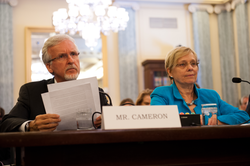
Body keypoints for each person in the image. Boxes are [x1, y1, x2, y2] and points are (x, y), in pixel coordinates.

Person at [0, 34, 109, 132]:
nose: (71, 60)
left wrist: (106, 121)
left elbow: (112, 124)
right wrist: (30, 125)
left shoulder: (97, 92)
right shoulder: (32, 92)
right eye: (62, 56)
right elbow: (7, 123)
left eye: (73, 54)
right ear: (49, 66)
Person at [150, 46, 250, 125]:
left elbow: (243, 116)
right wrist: (198, 121)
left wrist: (215, 122)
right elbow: (157, 120)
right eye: (182, 64)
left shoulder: (211, 96)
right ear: (170, 71)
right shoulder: (162, 94)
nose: (190, 68)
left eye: (193, 63)